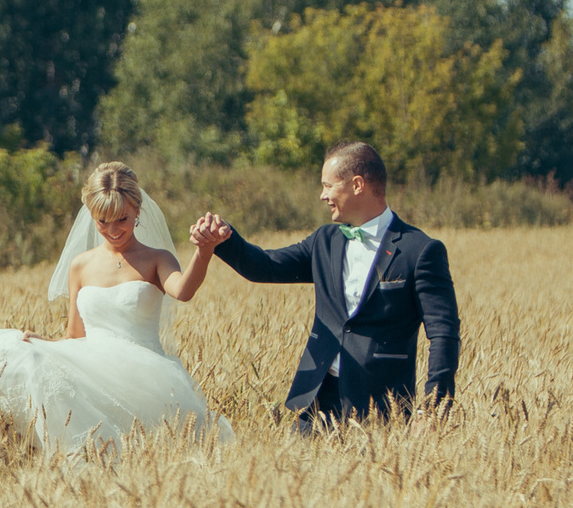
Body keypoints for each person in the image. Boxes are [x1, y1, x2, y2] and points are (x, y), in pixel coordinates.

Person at [0, 161, 231, 455]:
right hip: (89, 361)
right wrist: (43, 343)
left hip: (140, 372)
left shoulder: (157, 259)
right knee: (7, 349)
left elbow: (183, 291)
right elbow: (74, 335)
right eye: (102, 221)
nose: (112, 229)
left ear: (137, 210)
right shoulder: (81, 265)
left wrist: (204, 252)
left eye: (122, 219)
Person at [192, 140, 459, 428]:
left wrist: (432, 408)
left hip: (382, 408)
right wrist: (223, 239)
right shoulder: (324, 241)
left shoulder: (420, 250)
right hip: (316, 401)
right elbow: (264, 266)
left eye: (328, 186)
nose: (323, 195)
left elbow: (443, 333)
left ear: (357, 185)